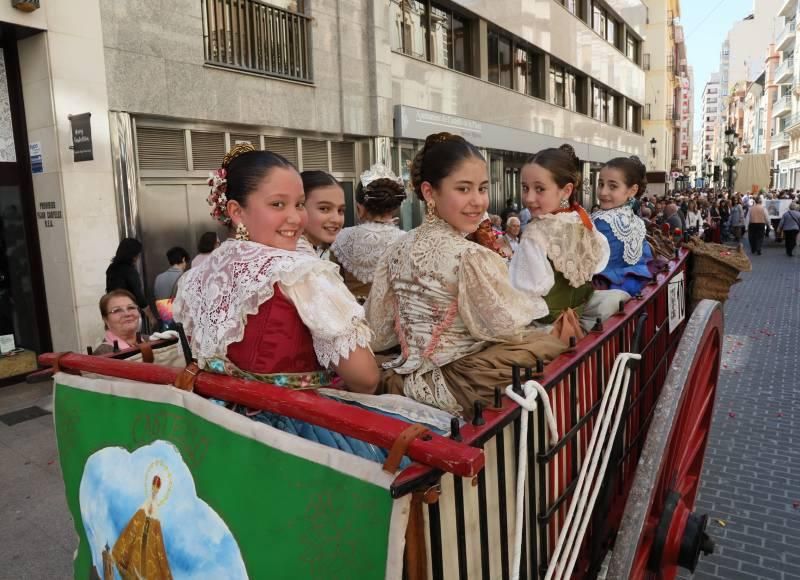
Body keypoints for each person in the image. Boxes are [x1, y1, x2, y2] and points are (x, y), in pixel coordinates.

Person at [175, 144, 435, 463]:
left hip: (215, 428)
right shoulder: (300, 272)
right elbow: (364, 378)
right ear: (236, 211)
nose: (294, 218)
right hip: (288, 431)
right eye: (277, 204)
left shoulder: (195, 278)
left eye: (298, 204)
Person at [366, 133, 565, 418]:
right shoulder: (469, 255)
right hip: (459, 384)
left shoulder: (395, 249)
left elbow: (379, 333)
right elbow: (504, 327)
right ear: (429, 192)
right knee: (549, 345)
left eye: (482, 188)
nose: (478, 201)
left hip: (401, 381)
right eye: (463, 189)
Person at [509, 145, 610, 336]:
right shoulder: (582, 220)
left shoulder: (535, 233)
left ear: (566, 191)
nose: (529, 197)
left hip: (547, 328)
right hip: (580, 317)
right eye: (525, 188)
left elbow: (525, 293)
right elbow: (599, 261)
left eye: (539, 189)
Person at [330, 163, 406, 302]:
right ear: (394, 208)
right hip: (391, 319)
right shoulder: (406, 240)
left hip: (350, 316)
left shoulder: (340, 238)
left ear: (360, 209)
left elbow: (334, 285)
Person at [591, 156, 653, 299]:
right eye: (601, 184)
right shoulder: (637, 221)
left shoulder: (602, 221)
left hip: (606, 293)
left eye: (613, 186)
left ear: (632, 190)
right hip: (632, 290)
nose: (603, 192)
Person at [105, 238, 157, 329]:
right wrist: (151, 317)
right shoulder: (129, 271)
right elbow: (139, 297)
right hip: (128, 313)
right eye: (137, 254)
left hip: (113, 313)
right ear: (132, 255)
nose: (137, 257)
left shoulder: (111, 269)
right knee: (132, 340)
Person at [298, 170, 346, 259]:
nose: (336, 219)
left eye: (340, 210)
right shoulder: (298, 262)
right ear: (299, 207)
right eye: (324, 209)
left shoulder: (318, 250)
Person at [94, 290, 148, 355]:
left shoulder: (151, 340)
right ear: (105, 319)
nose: (127, 314)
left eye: (131, 307)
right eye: (117, 310)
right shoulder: (102, 354)